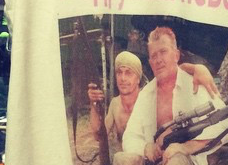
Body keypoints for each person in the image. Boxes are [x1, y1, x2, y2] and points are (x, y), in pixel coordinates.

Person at [113, 27, 228, 165]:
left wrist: (186, 147)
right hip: (152, 164)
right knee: (120, 159)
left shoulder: (194, 85)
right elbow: (130, 135)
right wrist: (145, 148)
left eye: (163, 52)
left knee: (176, 162)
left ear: (176, 55)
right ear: (150, 62)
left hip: (185, 164)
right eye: (154, 56)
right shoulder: (146, 94)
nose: (159, 60)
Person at [87, 49, 219, 142]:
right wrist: (93, 104)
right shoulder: (115, 104)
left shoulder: (148, 97)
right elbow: (99, 136)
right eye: (119, 73)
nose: (123, 78)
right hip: (129, 161)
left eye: (128, 73)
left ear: (138, 78)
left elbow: (174, 72)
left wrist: (197, 68)